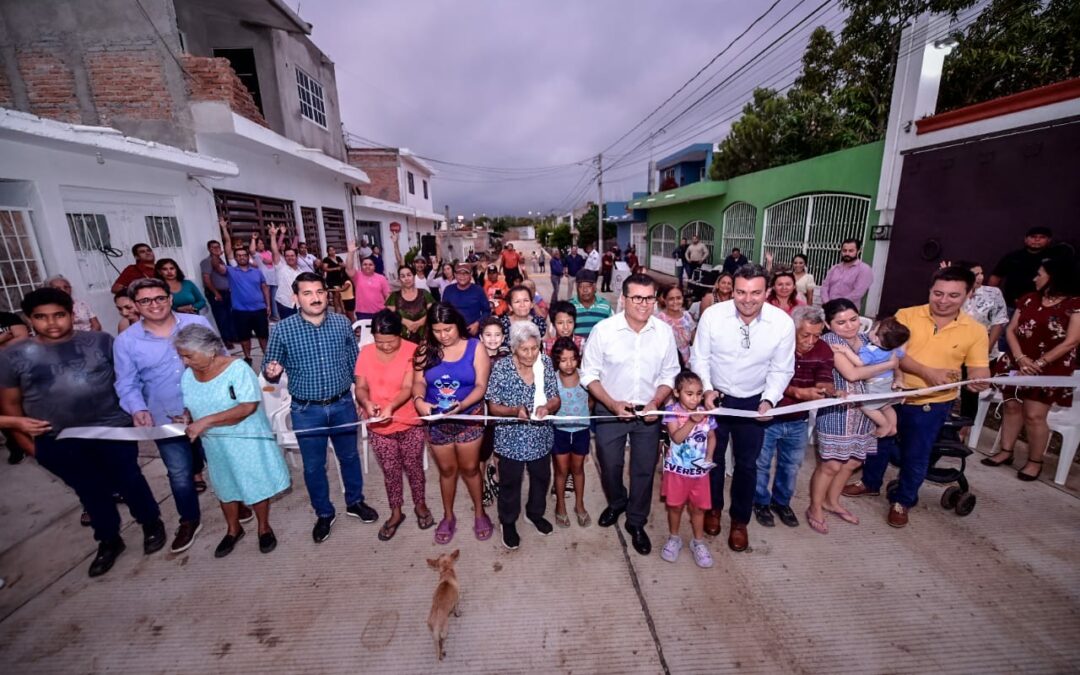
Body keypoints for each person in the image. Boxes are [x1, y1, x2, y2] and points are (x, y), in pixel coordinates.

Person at [0, 288, 166, 577]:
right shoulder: (13, 356)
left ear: (72, 314)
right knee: (89, 490)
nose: (51, 323)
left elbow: (126, 382)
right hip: (58, 439)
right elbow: (11, 408)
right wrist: (33, 448)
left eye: (59, 315)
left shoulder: (100, 342)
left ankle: (151, 524)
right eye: (40, 317)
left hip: (112, 430)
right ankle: (109, 540)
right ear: (29, 320)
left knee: (129, 481)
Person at [845, 266, 990, 528]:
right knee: (879, 441)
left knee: (917, 452)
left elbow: (979, 368)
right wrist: (926, 371)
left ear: (969, 294)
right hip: (892, 393)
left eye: (953, 295)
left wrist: (980, 380)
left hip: (932, 402)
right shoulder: (907, 315)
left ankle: (903, 500)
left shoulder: (976, 331)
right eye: (938, 293)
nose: (943, 300)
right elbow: (894, 354)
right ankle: (869, 482)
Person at [263, 272, 378, 543]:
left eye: (319, 292)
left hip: (342, 405)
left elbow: (355, 366)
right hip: (306, 411)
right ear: (295, 298)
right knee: (314, 466)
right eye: (307, 293)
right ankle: (324, 513)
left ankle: (354, 502)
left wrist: (363, 399)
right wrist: (271, 372)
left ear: (327, 294)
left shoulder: (341, 324)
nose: (315, 298)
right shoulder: (282, 330)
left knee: (349, 457)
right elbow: (269, 371)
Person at [690, 263, 795, 552]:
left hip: (754, 404)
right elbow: (699, 358)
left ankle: (739, 521)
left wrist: (769, 399)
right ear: (732, 289)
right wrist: (707, 390)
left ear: (767, 292)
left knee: (748, 465)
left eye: (756, 292)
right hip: (717, 398)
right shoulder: (712, 316)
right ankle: (712, 510)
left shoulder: (782, 323)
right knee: (712, 459)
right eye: (741, 292)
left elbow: (782, 368)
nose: (748, 299)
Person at [581, 273, 680, 556]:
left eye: (649, 298)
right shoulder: (604, 330)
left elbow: (670, 373)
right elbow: (589, 374)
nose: (644, 304)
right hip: (610, 411)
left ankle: (636, 521)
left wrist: (657, 401)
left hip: (648, 414)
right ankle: (616, 502)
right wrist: (612, 404)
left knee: (644, 470)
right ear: (623, 299)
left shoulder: (663, 332)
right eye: (637, 297)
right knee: (610, 466)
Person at [114, 277, 211, 552]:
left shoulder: (198, 325)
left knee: (220, 462)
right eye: (145, 300)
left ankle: (236, 505)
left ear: (170, 298)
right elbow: (126, 382)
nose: (154, 305)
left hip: (207, 412)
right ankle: (189, 520)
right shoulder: (126, 342)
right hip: (165, 418)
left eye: (159, 298)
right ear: (135, 306)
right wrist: (138, 408)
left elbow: (220, 359)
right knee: (179, 473)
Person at [176, 325, 289, 557]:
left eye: (189, 355)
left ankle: (263, 528)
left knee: (255, 484)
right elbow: (192, 403)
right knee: (224, 485)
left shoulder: (237, 369)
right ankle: (233, 529)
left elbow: (248, 406)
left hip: (245, 439)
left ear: (209, 350)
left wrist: (206, 421)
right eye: (182, 356)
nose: (185, 362)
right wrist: (188, 417)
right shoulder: (189, 375)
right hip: (215, 443)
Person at [984, 257, 1079, 480]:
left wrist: (1039, 363)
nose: (1035, 278)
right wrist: (1020, 357)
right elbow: (1011, 330)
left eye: (1040, 274)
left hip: (1049, 368)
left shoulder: (1074, 304)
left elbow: (1072, 341)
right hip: (1018, 361)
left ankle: (1035, 461)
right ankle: (1006, 451)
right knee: (1011, 406)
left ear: (1054, 278)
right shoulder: (1028, 299)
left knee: (1035, 414)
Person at [806, 299, 895, 534]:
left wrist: (894, 368)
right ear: (828, 323)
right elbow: (852, 374)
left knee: (854, 461)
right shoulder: (829, 342)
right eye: (841, 322)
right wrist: (890, 363)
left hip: (867, 412)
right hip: (838, 412)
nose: (849, 326)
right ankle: (815, 507)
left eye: (854, 319)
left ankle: (832, 502)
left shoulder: (868, 339)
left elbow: (890, 363)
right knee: (832, 464)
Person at [413, 302, 492, 544]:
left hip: (469, 417)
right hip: (437, 421)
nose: (443, 335)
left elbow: (481, 386)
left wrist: (463, 405)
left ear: (458, 325)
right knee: (447, 471)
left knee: (470, 468)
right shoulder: (425, 350)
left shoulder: (475, 347)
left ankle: (480, 513)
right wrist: (419, 401)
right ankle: (448, 516)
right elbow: (419, 382)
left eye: (448, 329)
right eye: (437, 330)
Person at [753, 306, 835, 530]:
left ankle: (781, 503)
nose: (811, 341)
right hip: (769, 418)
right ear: (792, 330)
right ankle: (760, 502)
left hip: (798, 420)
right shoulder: (776, 346)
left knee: (790, 466)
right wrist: (798, 393)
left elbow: (825, 376)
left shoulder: (824, 350)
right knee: (761, 464)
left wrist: (825, 388)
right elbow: (764, 378)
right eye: (805, 335)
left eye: (816, 336)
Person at [355, 310, 434, 540]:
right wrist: (367, 402)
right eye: (380, 342)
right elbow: (360, 387)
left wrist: (391, 407)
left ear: (400, 334)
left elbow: (409, 387)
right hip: (379, 426)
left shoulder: (413, 350)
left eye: (391, 342)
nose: (386, 347)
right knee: (390, 472)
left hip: (409, 421)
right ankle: (396, 512)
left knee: (414, 467)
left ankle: (420, 505)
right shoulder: (366, 354)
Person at [486, 321, 561, 549]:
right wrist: (513, 411)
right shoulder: (502, 368)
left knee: (541, 478)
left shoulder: (545, 363)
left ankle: (534, 514)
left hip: (540, 437)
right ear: (514, 349)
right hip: (510, 438)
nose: (530, 354)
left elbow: (556, 397)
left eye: (534, 348)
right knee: (510, 482)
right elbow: (493, 406)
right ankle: (508, 521)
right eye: (524, 349)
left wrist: (547, 407)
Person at [660, 370, 717, 568]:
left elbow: (711, 436)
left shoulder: (705, 414)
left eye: (699, 393)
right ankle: (674, 538)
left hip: (699, 474)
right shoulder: (671, 413)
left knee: (698, 509)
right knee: (675, 507)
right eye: (689, 393)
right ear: (677, 393)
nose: (695, 399)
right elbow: (676, 438)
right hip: (677, 472)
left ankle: (698, 542)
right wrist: (692, 420)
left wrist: (709, 457)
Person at [831, 317, 910, 437]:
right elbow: (903, 350)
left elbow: (859, 362)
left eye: (873, 329)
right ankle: (893, 427)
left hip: (875, 384)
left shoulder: (870, 350)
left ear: (876, 338)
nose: (870, 331)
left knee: (866, 407)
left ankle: (885, 425)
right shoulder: (894, 349)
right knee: (886, 406)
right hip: (888, 381)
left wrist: (846, 350)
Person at [215, 221, 271, 364]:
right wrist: (224, 228)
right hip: (241, 311)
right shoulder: (232, 271)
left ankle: (267, 358)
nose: (241, 257)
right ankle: (248, 358)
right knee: (244, 338)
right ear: (235, 258)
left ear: (248, 257)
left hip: (259, 309)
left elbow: (265, 288)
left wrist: (268, 305)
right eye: (238, 255)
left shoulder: (257, 272)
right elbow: (227, 251)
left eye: (243, 255)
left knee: (263, 336)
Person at [550, 337, 590, 528]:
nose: (569, 364)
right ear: (557, 361)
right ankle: (560, 506)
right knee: (561, 470)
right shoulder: (553, 379)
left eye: (572, 359)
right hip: (560, 431)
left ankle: (580, 505)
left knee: (578, 469)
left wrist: (584, 416)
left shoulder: (585, 378)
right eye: (563, 360)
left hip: (581, 430)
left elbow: (591, 401)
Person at [987, 226, 1054, 309]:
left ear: (1049, 240)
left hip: (1040, 306)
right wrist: (990, 298)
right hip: (1010, 305)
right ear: (1025, 239)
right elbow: (995, 277)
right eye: (1033, 237)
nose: (1037, 240)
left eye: (1042, 237)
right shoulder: (1013, 257)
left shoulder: (1053, 259)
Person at [266, 224, 306, 319]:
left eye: (292, 255)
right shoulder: (280, 267)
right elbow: (275, 251)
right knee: (289, 329)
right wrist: (273, 236)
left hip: (300, 304)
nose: (290, 258)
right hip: (285, 304)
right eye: (287, 256)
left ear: (296, 257)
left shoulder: (301, 272)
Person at [386, 265, 435, 343]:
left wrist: (420, 322)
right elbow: (389, 315)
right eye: (403, 276)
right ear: (399, 279)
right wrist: (405, 321)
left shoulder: (424, 293)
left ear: (414, 276)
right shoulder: (394, 296)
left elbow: (434, 311)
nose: (406, 279)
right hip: (401, 339)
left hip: (425, 339)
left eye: (409, 275)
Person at [819, 238, 873, 307]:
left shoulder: (864, 269)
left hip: (847, 309)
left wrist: (837, 304)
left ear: (858, 251)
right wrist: (827, 302)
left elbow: (857, 293)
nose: (847, 253)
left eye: (851, 251)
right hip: (829, 307)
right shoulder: (835, 268)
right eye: (844, 251)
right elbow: (824, 287)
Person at [201, 239, 235, 347]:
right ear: (209, 249)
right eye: (213, 247)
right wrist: (215, 293)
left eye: (218, 247)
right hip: (216, 293)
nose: (216, 249)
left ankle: (232, 336)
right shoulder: (207, 261)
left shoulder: (220, 260)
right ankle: (226, 340)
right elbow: (206, 278)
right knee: (221, 317)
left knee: (230, 315)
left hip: (226, 292)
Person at [441, 262, 490, 336]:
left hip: (473, 333)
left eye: (465, 273)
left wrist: (477, 324)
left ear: (471, 274)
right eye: (459, 273)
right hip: (453, 334)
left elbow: (487, 311)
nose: (462, 276)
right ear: (455, 274)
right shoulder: (448, 290)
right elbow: (443, 311)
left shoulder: (478, 290)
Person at [346, 245, 391, 321]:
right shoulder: (357, 276)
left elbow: (388, 295)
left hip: (380, 312)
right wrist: (351, 253)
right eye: (365, 264)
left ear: (374, 267)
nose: (368, 266)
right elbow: (349, 268)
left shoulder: (381, 278)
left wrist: (388, 310)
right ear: (361, 266)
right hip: (362, 313)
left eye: (370, 264)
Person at [656, 285, 695, 365]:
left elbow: (694, 340)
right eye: (671, 299)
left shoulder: (687, 316)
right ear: (664, 299)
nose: (675, 302)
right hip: (668, 363)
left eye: (678, 298)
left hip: (687, 363)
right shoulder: (659, 319)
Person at [570, 270, 612, 341]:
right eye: (581, 286)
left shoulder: (605, 306)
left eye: (588, 286)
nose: (585, 290)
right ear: (576, 288)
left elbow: (611, 331)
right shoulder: (570, 306)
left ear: (595, 287)